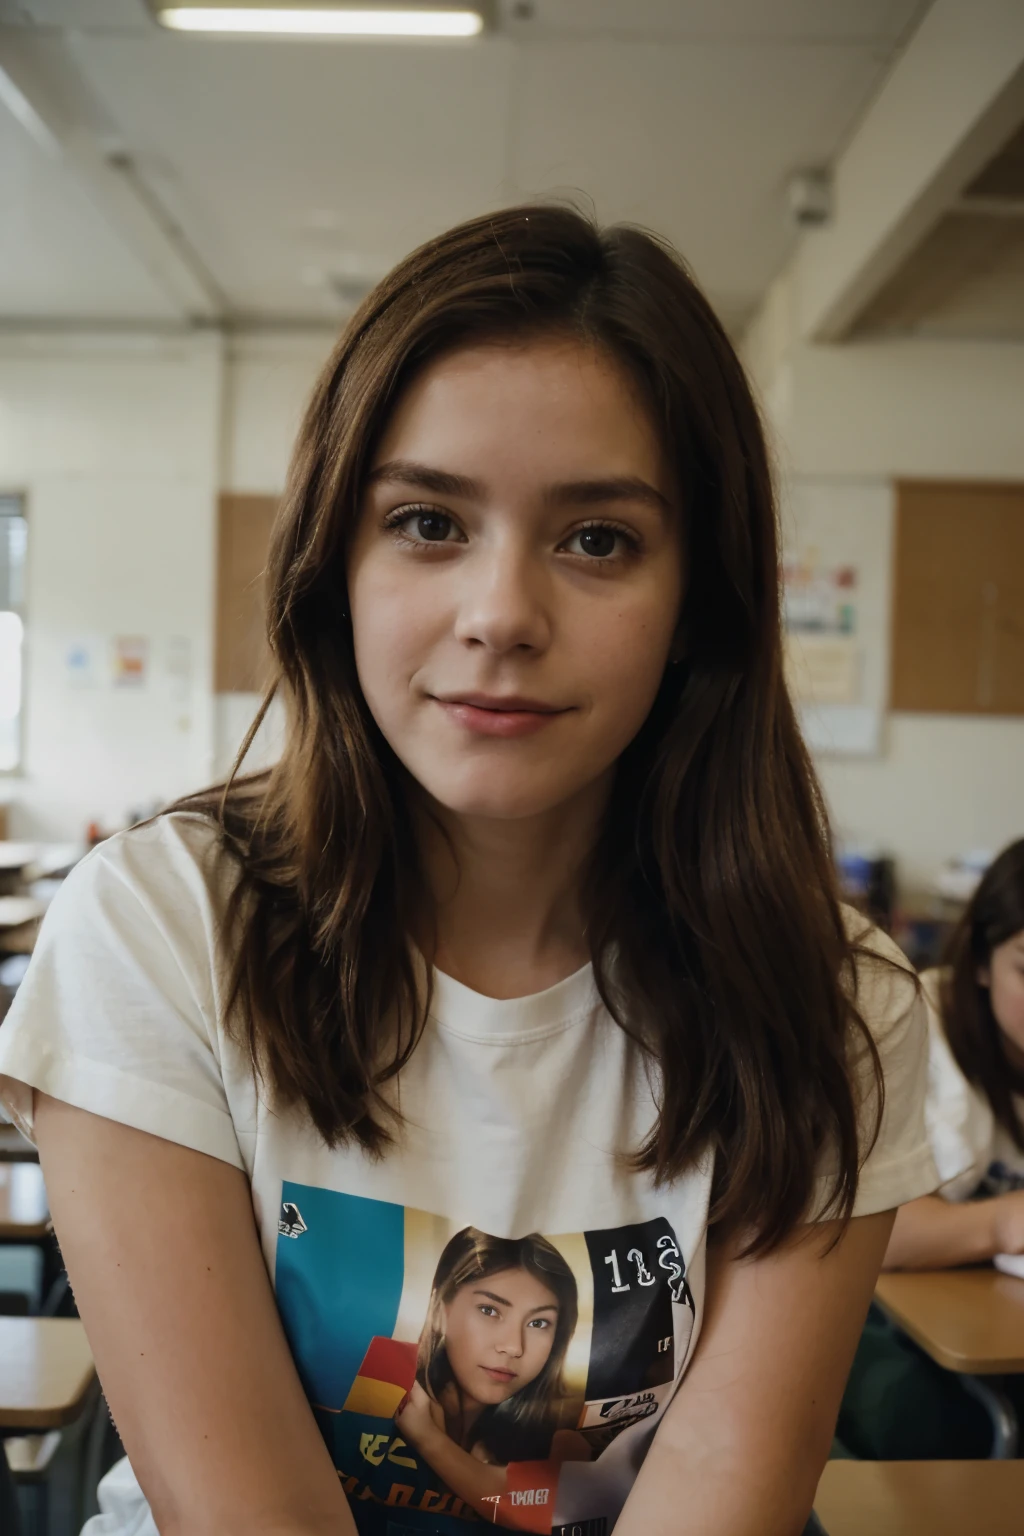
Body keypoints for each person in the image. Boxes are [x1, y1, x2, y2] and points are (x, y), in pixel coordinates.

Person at [0, 204, 936, 1536]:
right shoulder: (158, 928)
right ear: (337, 565)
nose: (501, 613)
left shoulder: (834, 1001)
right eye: (429, 522)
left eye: (597, 539)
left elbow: (720, 1504)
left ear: (699, 605)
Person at [837, 838, 1024, 1460]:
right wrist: (1003, 1221)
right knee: (925, 1428)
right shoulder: (914, 1026)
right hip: (880, 1324)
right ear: (980, 961)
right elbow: (883, 1231)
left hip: (995, 1320)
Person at [395, 1227, 587, 1520]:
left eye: (538, 1323)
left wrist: (427, 1438)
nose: (513, 1346)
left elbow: (540, 1514)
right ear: (439, 1312)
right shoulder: (384, 1392)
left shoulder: (563, 1440)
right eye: (489, 1310)